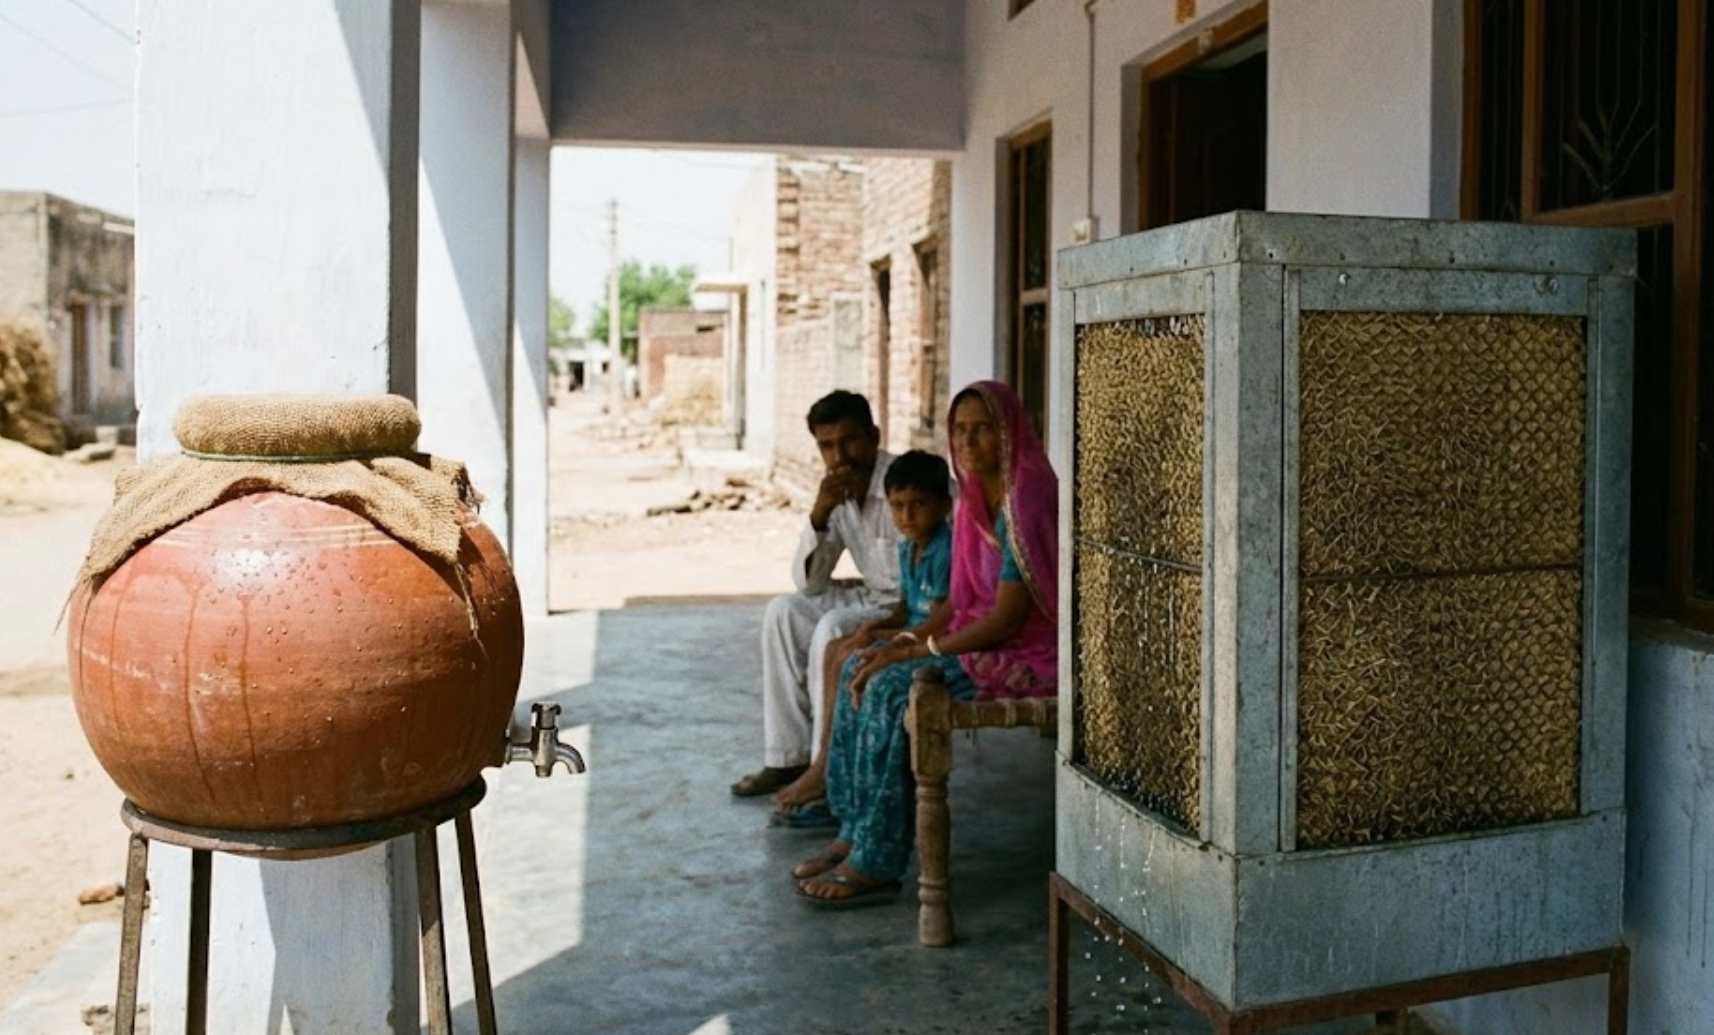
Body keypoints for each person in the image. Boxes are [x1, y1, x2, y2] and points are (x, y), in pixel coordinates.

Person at [792, 381, 1058, 907]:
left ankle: (877, 860)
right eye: (960, 430)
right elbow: (956, 605)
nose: (968, 441)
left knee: (893, 689)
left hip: (1026, 651)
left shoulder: (1022, 498)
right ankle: (853, 828)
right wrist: (900, 640)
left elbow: (1006, 619)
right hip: (980, 638)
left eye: (983, 429)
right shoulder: (978, 496)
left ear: (1009, 432)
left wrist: (917, 653)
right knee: (859, 665)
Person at [768, 450, 956, 827]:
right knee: (816, 631)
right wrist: (876, 630)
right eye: (898, 507)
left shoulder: (940, 541)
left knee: (844, 645)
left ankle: (828, 775)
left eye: (917, 505)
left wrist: (891, 640)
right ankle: (807, 761)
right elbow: (813, 584)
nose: (906, 515)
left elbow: (939, 619)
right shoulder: (905, 544)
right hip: (895, 615)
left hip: (932, 637)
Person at [729, 390, 902, 798]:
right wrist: (820, 514)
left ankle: (829, 769)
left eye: (850, 440)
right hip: (873, 597)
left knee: (832, 627)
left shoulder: (903, 479)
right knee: (784, 611)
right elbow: (810, 584)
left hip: (913, 608)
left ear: (874, 436)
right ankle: (787, 758)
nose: (840, 455)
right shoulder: (837, 492)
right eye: (827, 446)